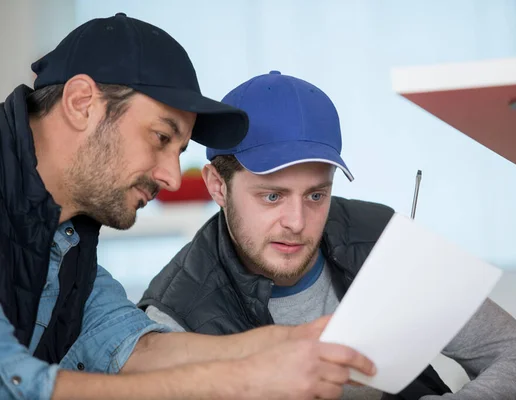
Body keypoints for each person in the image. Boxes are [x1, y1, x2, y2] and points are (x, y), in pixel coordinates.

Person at [0, 14, 377, 400]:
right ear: (82, 103)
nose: (173, 178)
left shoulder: (68, 237)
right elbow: (11, 382)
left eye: (179, 151)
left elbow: (131, 345)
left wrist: (288, 342)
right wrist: (243, 380)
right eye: (161, 136)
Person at [140, 71, 516, 399]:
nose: (297, 222)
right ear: (217, 187)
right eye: (272, 196)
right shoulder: (172, 317)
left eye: (317, 194)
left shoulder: (378, 237)